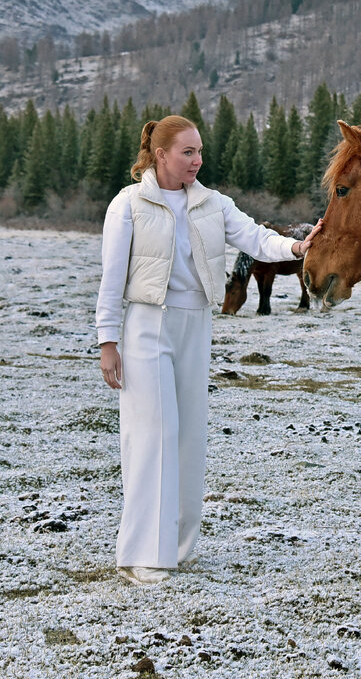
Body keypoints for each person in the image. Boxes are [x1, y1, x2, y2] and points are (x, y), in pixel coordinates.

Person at [95, 114, 320, 586]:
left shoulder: (213, 204)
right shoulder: (128, 205)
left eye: (199, 151)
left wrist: (298, 247)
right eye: (187, 152)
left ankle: (177, 548)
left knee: (188, 436)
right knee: (152, 436)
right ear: (160, 155)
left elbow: (256, 238)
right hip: (145, 327)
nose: (198, 160)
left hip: (195, 323)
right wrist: (107, 342)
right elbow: (111, 279)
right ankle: (143, 555)